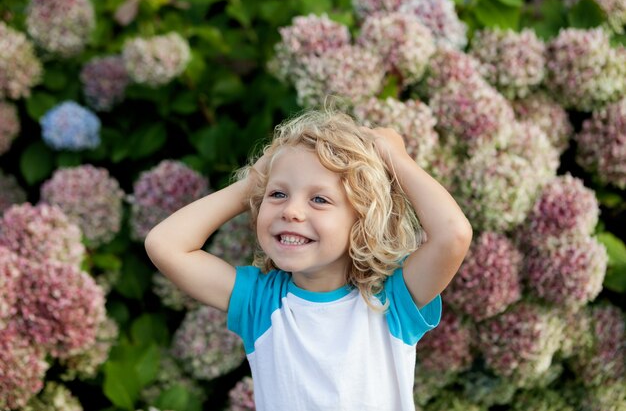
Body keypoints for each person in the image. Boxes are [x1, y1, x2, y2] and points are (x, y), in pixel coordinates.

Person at [144, 109, 472, 411]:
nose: (291, 210)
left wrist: (393, 156)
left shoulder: (391, 300)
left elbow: (453, 235)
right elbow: (165, 244)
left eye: (319, 199)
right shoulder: (260, 302)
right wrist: (253, 184)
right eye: (277, 194)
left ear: (363, 222)